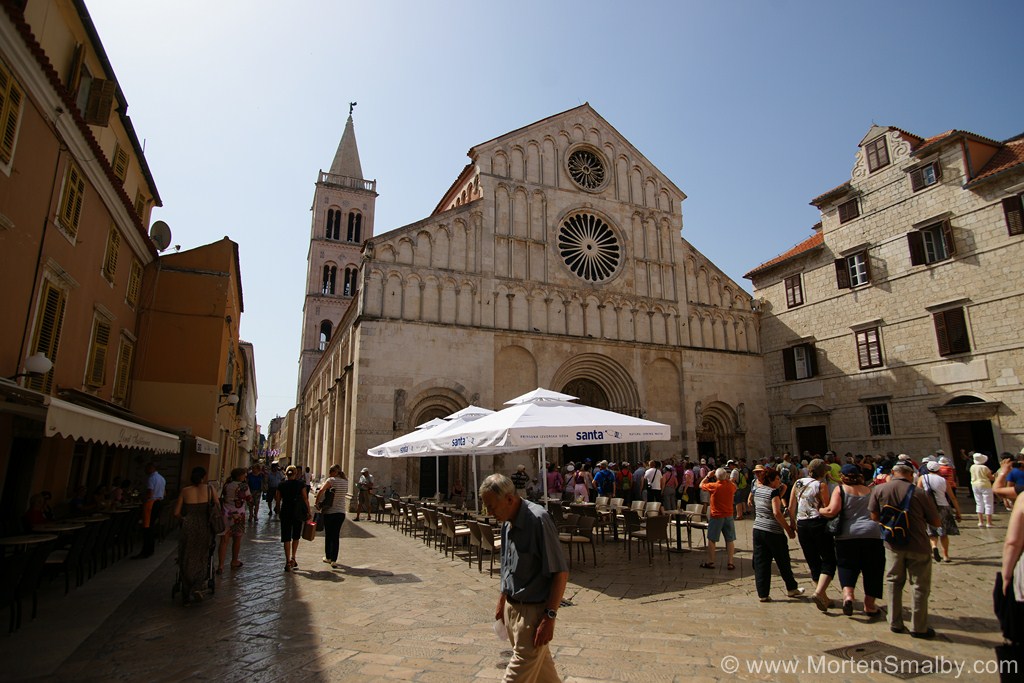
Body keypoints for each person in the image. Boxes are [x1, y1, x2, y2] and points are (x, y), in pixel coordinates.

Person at [480, 473, 568, 682]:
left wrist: (549, 617)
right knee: (545, 677)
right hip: (513, 611)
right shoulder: (506, 522)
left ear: (510, 499)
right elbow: (507, 566)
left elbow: (560, 573)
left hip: (533, 616)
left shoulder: (538, 520)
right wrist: (502, 600)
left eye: (492, 507)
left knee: (516, 675)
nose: (489, 513)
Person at [868, 462, 941, 638]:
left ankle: (894, 622)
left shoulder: (879, 490)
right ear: (911, 474)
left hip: (892, 543)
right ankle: (919, 627)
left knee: (893, 581)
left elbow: (874, 516)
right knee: (920, 586)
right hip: (918, 544)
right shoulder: (919, 492)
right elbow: (936, 522)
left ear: (893, 473)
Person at [819, 464, 884, 618]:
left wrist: (820, 510)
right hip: (872, 534)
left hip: (848, 535)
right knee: (873, 569)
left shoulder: (840, 489)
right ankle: (869, 605)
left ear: (843, 477)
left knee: (847, 565)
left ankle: (848, 596)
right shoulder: (870, 490)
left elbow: (832, 510)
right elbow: (878, 512)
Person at [790, 458, 836, 612]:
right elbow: (827, 507)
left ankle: (823, 596)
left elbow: (791, 507)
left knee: (812, 559)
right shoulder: (821, 485)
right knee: (829, 559)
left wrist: (792, 524)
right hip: (818, 524)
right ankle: (819, 592)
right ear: (823, 472)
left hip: (802, 524)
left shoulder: (797, 483)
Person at [751, 468, 803, 602]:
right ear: (771, 480)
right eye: (777, 479)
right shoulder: (773, 492)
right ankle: (791, 588)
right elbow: (776, 513)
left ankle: (763, 593)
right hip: (773, 531)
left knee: (761, 561)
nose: (779, 481)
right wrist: (788, 529)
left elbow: (782, 489)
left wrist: (780, 487)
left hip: (758, 529)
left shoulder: (757, 490)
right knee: (783, 560)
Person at [173, 467, 218, 604]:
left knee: (186, 555)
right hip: (204, 526)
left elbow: (176, 513)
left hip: (189, 526)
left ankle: (186, 588)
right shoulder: (210, 490)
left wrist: (185, 520)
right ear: (204, 477)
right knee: (202, 555)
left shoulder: (185, 491)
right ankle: (198, 585)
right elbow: (217, 507)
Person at [918, 460, 961, 562]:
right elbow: (952, 497)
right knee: (944, 532)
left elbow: (918, 493)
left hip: (929, 507)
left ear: (927, 469)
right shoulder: (943, 480)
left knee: (932, 532)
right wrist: (958, 511)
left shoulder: (922, 478)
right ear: (938, 469)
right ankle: (946, 555)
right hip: (943, 506)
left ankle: (933, 547)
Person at [699, 468, 737, 570]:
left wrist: (707, 476)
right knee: (730, 539)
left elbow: (700, 485)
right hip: (728, 515)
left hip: (716, 516)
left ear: (715, 476)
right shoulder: (730, 486)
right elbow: (734, 487)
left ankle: (711, 562)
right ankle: (730, 562)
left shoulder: (713, 486)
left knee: (712, 539)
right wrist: (727, 479)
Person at [276, 465, 312, 571]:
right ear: (296, 473)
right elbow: (305, 499)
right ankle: (293, 557)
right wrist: (308, 512)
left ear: (286, 473)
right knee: (296, 536)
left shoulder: (281, 484)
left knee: (286, 536)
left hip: (286, 511)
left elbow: (278, 500)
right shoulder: (300, 484)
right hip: (297, 512)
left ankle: (287, 561)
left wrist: (278, 511)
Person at [217, 467, 251, 574]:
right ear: (240, 476)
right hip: (238, 515)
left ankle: (221, 565)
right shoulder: (243, 486)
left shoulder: (227, 485)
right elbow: (249, 499)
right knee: (237, 539)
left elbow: (223, 496)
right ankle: (234, 560)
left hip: (226, 514)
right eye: (244, 475)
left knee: (224, 540)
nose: (245, 476)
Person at [315, 464, 349, 568]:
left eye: (330, 472)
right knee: (336, 536)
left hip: (330, 512)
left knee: (329, 535)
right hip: (341, 512)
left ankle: (328, 557)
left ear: (334, 472)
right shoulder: (345, 482)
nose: (329, 474)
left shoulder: (331, 480)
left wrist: (317, 503)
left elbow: (321, 490)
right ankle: (334, 559)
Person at [134, 462, 166, 559]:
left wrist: (143, 498)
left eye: (146, 468)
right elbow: (164, 493)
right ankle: (150, 550)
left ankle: (146, 551)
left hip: (151, 503)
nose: (145, 470)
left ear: (151, 468)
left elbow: (150, 493)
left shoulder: (151, 478)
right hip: (159, 502)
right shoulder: (162, 478)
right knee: (151, 526)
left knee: (147, 527)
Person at [971, 452, 996, 528]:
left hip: (975, 485)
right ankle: (989, 522)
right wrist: (995, 475)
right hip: (985, 485)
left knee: (979, 503)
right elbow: (991, 477)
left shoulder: (972, 467)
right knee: (988, 503)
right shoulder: (984, 467)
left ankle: (980, 521)